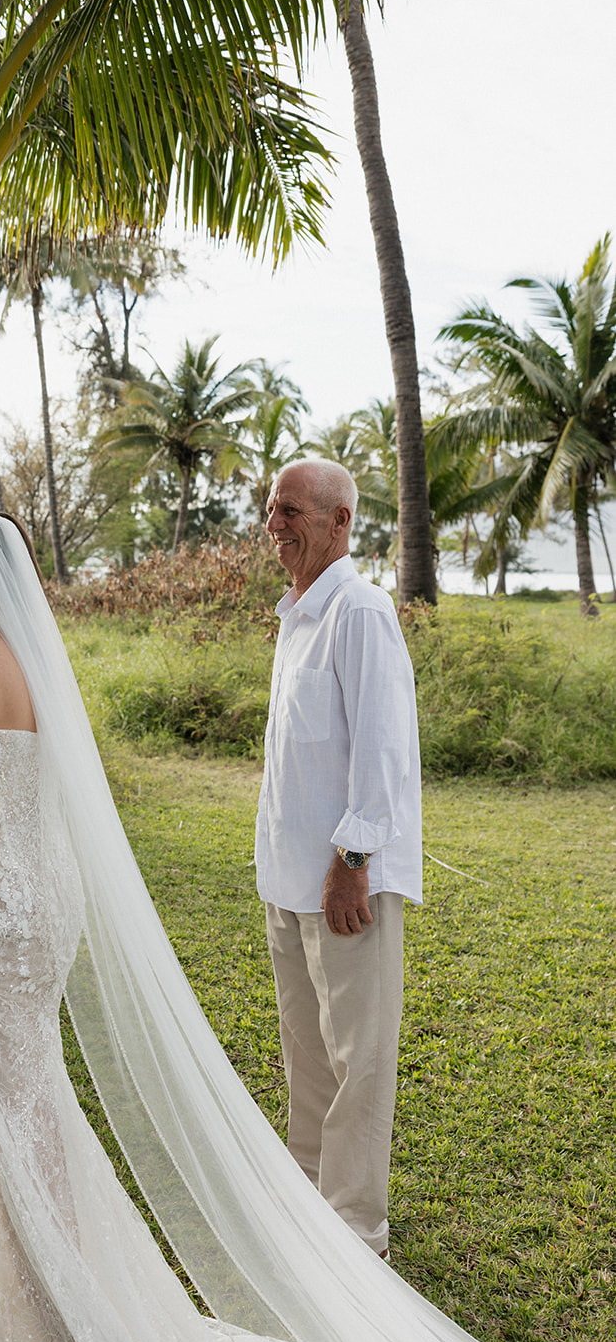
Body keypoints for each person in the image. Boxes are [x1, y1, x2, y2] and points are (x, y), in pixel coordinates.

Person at [0, 510, 615, 1342]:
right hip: (46, 905)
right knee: (17, 1093)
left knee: (21, 1107)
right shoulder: (30, 661)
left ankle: (62, 1319)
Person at [255, 457, 421, 1259]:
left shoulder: (357, 611)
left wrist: (351, 859)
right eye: (271, 510)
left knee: (359, 1059)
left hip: (343, 882)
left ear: (340, 522)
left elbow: (384, 753)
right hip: (287, 883)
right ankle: (312, 1203)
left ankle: (356, 1230)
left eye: (290, 511)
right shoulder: (296, 615)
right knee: (307, 1052)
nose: (274, 525)